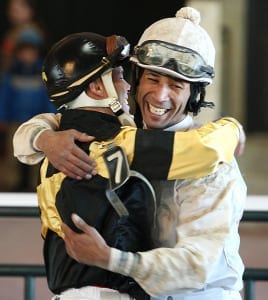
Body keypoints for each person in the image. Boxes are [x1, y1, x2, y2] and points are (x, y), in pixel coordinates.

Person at [12, 6, 246, 300]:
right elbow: (47, 129)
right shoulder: (119, 136)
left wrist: (111, 259)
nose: (161, 95)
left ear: (195, 95)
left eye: (176, 85)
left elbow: (197, 267)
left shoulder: (212, 162)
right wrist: (43, 138)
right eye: (153, 79)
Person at [0, 27, 56, 191]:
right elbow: (4, 97)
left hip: (38, 122)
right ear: (18, 53)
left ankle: (37, 185)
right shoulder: (11, 73)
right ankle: (11, 184)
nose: (27, 56)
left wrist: (53, 116)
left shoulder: (43, 74)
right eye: (24, 52)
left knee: (38, 152)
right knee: (12, 153)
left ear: (37, 52)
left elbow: (48, 98)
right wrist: (2, 116)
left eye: (31, 52)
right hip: (15, 121)